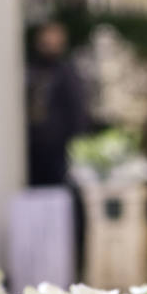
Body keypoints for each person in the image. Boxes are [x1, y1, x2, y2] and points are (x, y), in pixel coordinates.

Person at [27, 21, 89, 185]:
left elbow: (77, 108)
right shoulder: (31, 70)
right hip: (33, 145)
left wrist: (77, 141)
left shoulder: (66, 72)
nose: (49, 45)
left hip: (58, 146)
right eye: (45, 41)